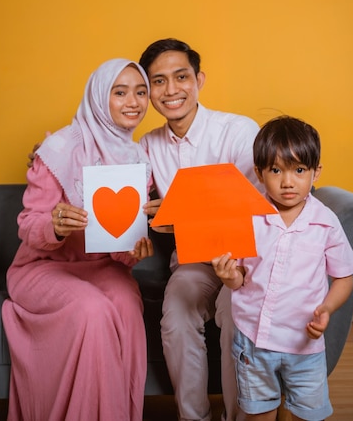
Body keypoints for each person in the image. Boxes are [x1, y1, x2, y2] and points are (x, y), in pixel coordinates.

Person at [3, 59, 154, 421]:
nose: (133, 101)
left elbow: (120, 248)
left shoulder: (138, 158)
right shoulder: (57, 148)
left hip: (101, 267)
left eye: (140, 91)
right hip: (41, 267)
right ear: (100, 97)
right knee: (92, 309)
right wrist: (54, 225)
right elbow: (27, 225)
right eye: (120, 92)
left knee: (128, 307)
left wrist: (134, 250)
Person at [139, 38, 262, 421]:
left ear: (199, 80)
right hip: (193, 262)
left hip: (247, 259)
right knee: (175, 313)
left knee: (234, 312)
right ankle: (194, 417)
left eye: (181, 77)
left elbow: (262, 202)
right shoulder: (147, 145)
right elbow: (117, 186)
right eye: (158, 81)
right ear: (148, 91)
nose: (171, 90)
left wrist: (185, 211)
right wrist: (57, 151)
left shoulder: (239, 130)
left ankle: (237, 416)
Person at [212, 116, 353, 421]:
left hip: (303, 345)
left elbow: (344, 276)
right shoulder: (249, 218)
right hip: (253, 341)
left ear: (316, 171)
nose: (288, 182)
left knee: (307, 414)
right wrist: (229, 277)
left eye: (299, 170)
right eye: (276, 170)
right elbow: (240, 279)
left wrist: (327, 308)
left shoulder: (326, 222)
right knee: (258, 413)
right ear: (259, 172)